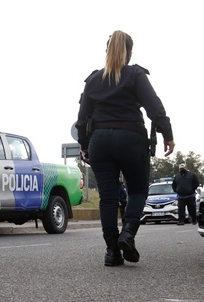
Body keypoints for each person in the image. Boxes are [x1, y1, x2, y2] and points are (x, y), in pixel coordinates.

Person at [75, 31, 174, 267]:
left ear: (107, 51)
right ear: (129, 52)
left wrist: (85, 145)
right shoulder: (136, 75)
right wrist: (167, 134)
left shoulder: (93, 80)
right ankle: (128, 234)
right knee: (138, 191)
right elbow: (154, 107)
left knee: (108, 198)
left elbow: (81, 118)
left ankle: (112, 252)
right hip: (132, 138)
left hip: (100, 140)